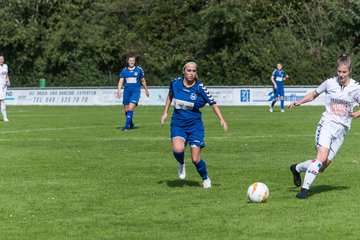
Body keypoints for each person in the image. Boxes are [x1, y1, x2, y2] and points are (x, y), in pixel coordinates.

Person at [288, 53, 360, 199]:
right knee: (320, 158)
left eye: (344, 72)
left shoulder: (356, 88)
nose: (341, 75)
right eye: (339, 71)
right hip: (327, 124)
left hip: (342, 130)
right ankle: (304, 191)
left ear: (349, 71)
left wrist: (358, 113)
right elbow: (314, 94)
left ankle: (296, 168)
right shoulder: (329, 83)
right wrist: (300, 102)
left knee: (322, 166)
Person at [161, 61, 228, 189]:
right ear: (184, 71)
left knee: (195, 159)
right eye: (189, 70)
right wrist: (165, 113)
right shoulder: (175, 83)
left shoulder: (199, 87)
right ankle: (181, 163)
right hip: (178, 124)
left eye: (193, 71)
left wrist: (222, 119)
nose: (191, 73)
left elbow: (212, 102)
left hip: (195, 126)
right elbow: (170, 96)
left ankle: (205, 178)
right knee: (178, 149)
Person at [117, 54, 149, 131]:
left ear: (135, 62)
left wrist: (146, 90)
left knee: (131, 108)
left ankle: (125, 127)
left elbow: (143, 80)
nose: (132, 62)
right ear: (128, 61)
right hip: (127, 91)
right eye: (130, 60)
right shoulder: (124, 71)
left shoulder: (139, 70)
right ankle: (131, 124)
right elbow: (121, 81)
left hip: (136, 91)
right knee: (126, 110)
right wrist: (118, 90)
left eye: (133, 61)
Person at [0, 54, 10, 122]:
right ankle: (5, 117)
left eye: (2, 59)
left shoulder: (5, 66)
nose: (1, 60)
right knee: (2, 101)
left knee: (2, 100)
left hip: (4, 86)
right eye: (0, 59)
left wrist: (8, 81)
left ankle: (5, 117)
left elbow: (6, 74)